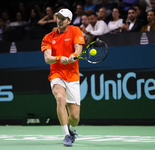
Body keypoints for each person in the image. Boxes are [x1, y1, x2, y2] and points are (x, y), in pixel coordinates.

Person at [41, 8, 85, 147]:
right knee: (60, 98)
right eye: (58, 17)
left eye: (62, 18)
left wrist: (74, 55)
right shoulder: (48, 37)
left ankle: (72, 131)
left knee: (75, 117)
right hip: (56, 74)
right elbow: (48, 59)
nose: (59, 20)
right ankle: (66, 135)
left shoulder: (75, 31)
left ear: (69, 21)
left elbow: (78, 49)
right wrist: (60, 58)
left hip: (72, 76)